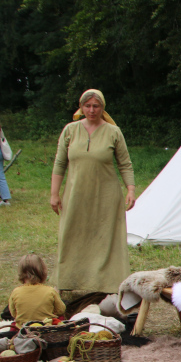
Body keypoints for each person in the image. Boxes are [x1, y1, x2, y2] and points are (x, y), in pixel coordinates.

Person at [50, 89, 136, 293]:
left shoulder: (113, 132)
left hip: (106, 196)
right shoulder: (70, 130)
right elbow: (60, 163)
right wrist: (54, 194)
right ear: (81, 107)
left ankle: (107, 283)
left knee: (106, 237)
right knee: (72, 234)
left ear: (102, 108)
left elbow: (125, 164)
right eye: (87, 106)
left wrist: (130, 189)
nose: (91, 110)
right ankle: (71, 281)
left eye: (95, 106)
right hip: (75, 194)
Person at [9, 254, 66, 328]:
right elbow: (61, 310)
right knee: (60, 318)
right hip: (46, 327)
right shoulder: (50, 291)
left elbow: (14, 314)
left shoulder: (15, 292)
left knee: (14, 324)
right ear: (43, 271)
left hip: (24, 328)